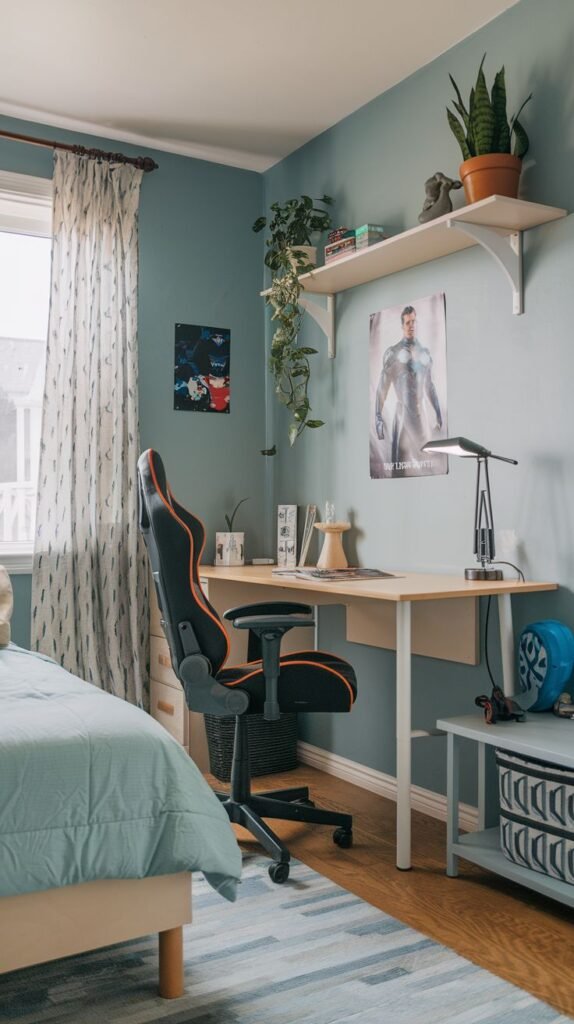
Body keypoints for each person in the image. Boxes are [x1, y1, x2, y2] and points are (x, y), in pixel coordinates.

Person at [374, 305, 443, 468]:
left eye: (413, 321)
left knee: (428, 465)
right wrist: (378, 417)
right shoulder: (393, 353)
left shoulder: (424, 353)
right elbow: (382, 388)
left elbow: (429, 386)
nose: (411, 325)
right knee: (400, 465)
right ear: (402, 326)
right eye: (407, 323)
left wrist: (439, 413)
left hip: (421, 418)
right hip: (403, 415)